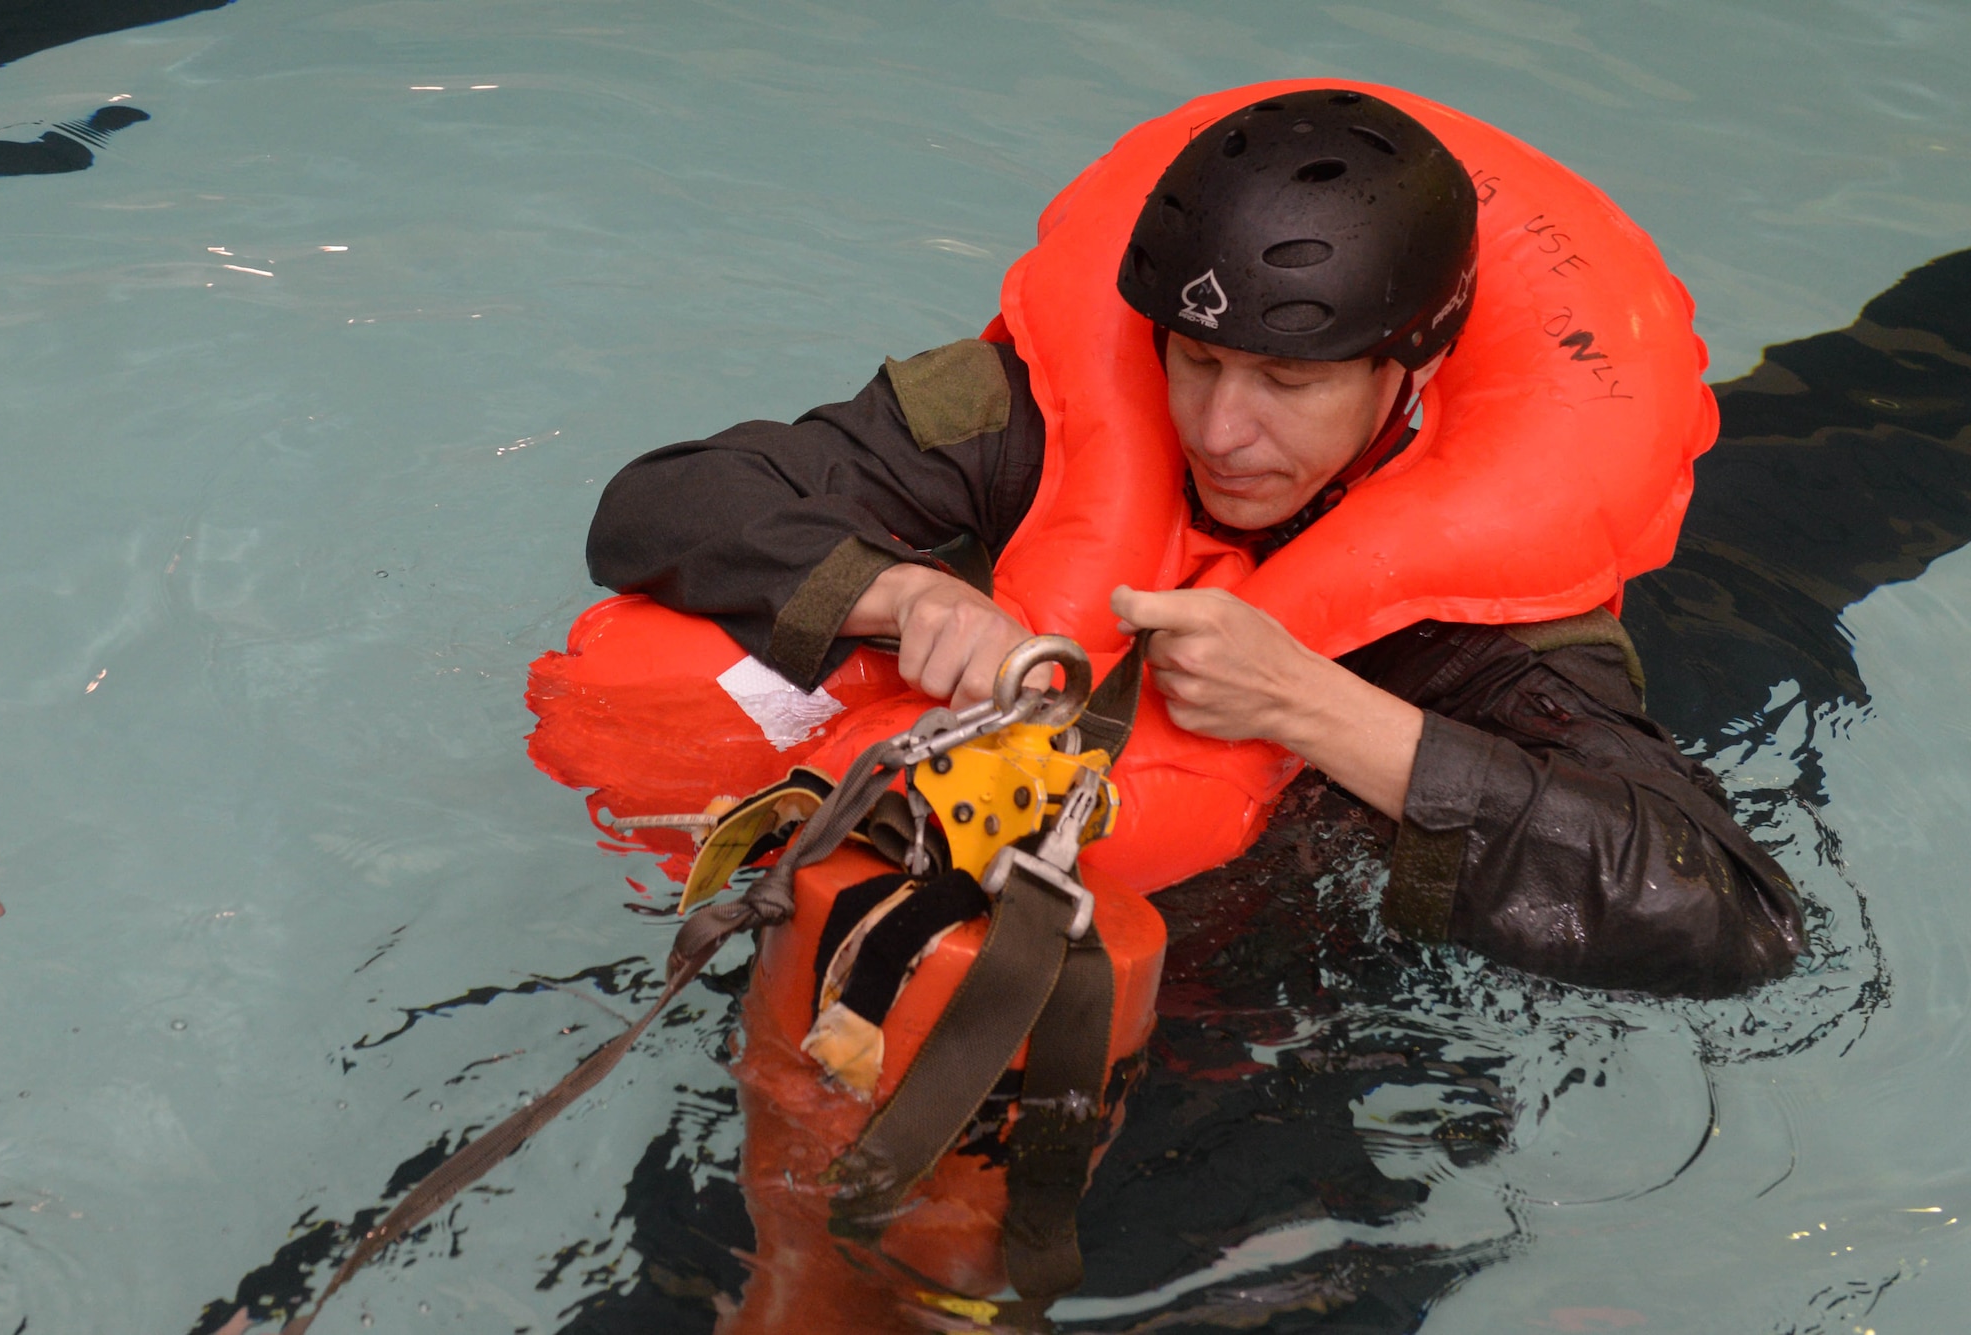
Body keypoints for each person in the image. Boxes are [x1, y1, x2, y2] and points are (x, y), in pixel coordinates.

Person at [584, 87, 1805, 998]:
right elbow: (663, 503)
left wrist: (1314, 708)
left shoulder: (1492, 619)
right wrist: (905, 599)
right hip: (899, 925)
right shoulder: (1023, 413)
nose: (1221, 430)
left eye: (1285, 381)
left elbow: (1732, 923)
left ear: (1412, 365)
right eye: (1196, 360)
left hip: (1257, 1014)